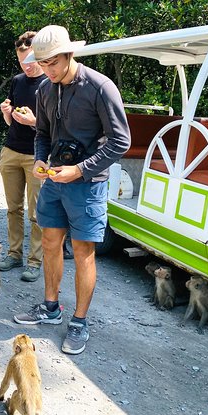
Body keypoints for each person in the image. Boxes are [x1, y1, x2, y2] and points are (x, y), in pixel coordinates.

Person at [12, 25, 130, 355]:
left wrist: (80, 169)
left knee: (83, 252)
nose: (46, 70)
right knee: (50, 241)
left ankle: (79, 321)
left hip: (87, 185)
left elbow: (121, 141)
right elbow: (42, 134)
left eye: (51, 63)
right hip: (54, 179)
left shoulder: (100, 87)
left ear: (68, 54)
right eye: (42, 63)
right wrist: (39, 159)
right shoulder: (45, 90)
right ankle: (50, 308)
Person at [0, 31, 47, 283]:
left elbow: (57, 128)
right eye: (21, 62)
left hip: (37, 156)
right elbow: (11, 122)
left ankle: (34, 262)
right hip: (11, 150)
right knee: (13, 209)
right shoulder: (17, 81)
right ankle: (14, 254)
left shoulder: (51, 82)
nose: (27, 67)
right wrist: (7, 113)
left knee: (37, 213)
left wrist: (33, 121)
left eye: (31, 61)